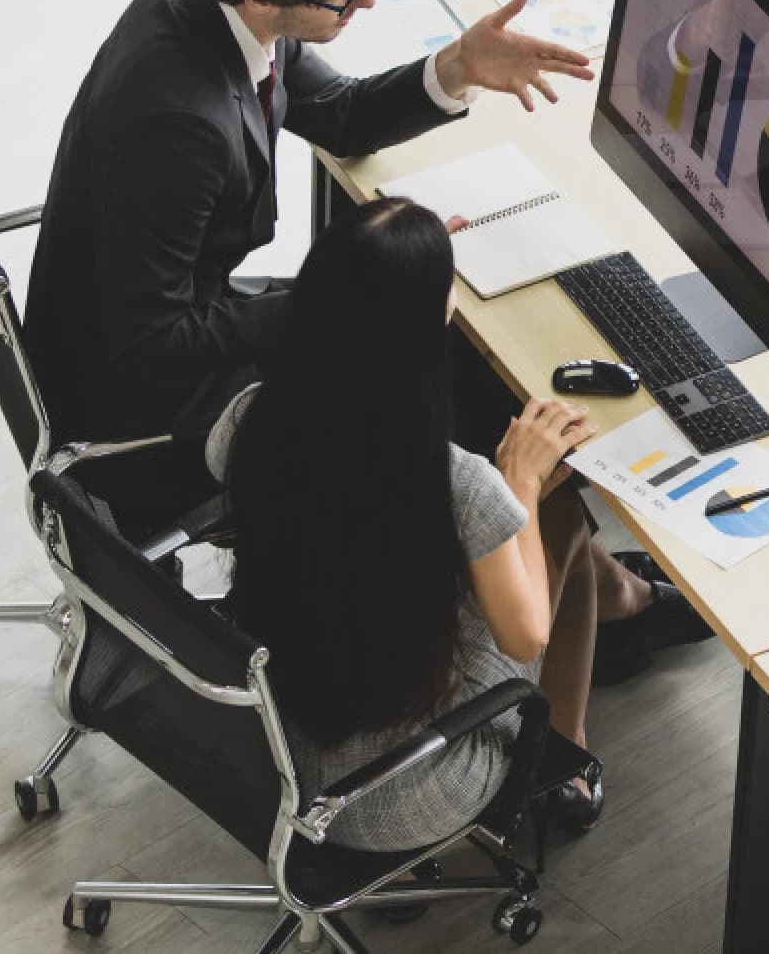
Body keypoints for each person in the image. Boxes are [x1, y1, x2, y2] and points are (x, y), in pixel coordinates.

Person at [26, 0, 594, 448]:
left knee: (433, 347)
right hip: (140, 400)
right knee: (438, 402)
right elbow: (155, 344)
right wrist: (355, 301)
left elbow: (340, 115)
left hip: (164, 309)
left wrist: (457, 65)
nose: (367, 2)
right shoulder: (179, 125)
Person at [209, 197, 608, 847]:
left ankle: (622, 600)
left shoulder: (252, 420)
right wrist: (521, 486)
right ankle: (563, 757)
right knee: (563, 517)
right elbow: (527, 634)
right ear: (422, 325)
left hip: (276, 753)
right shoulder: (455, 483)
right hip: (410, 794)